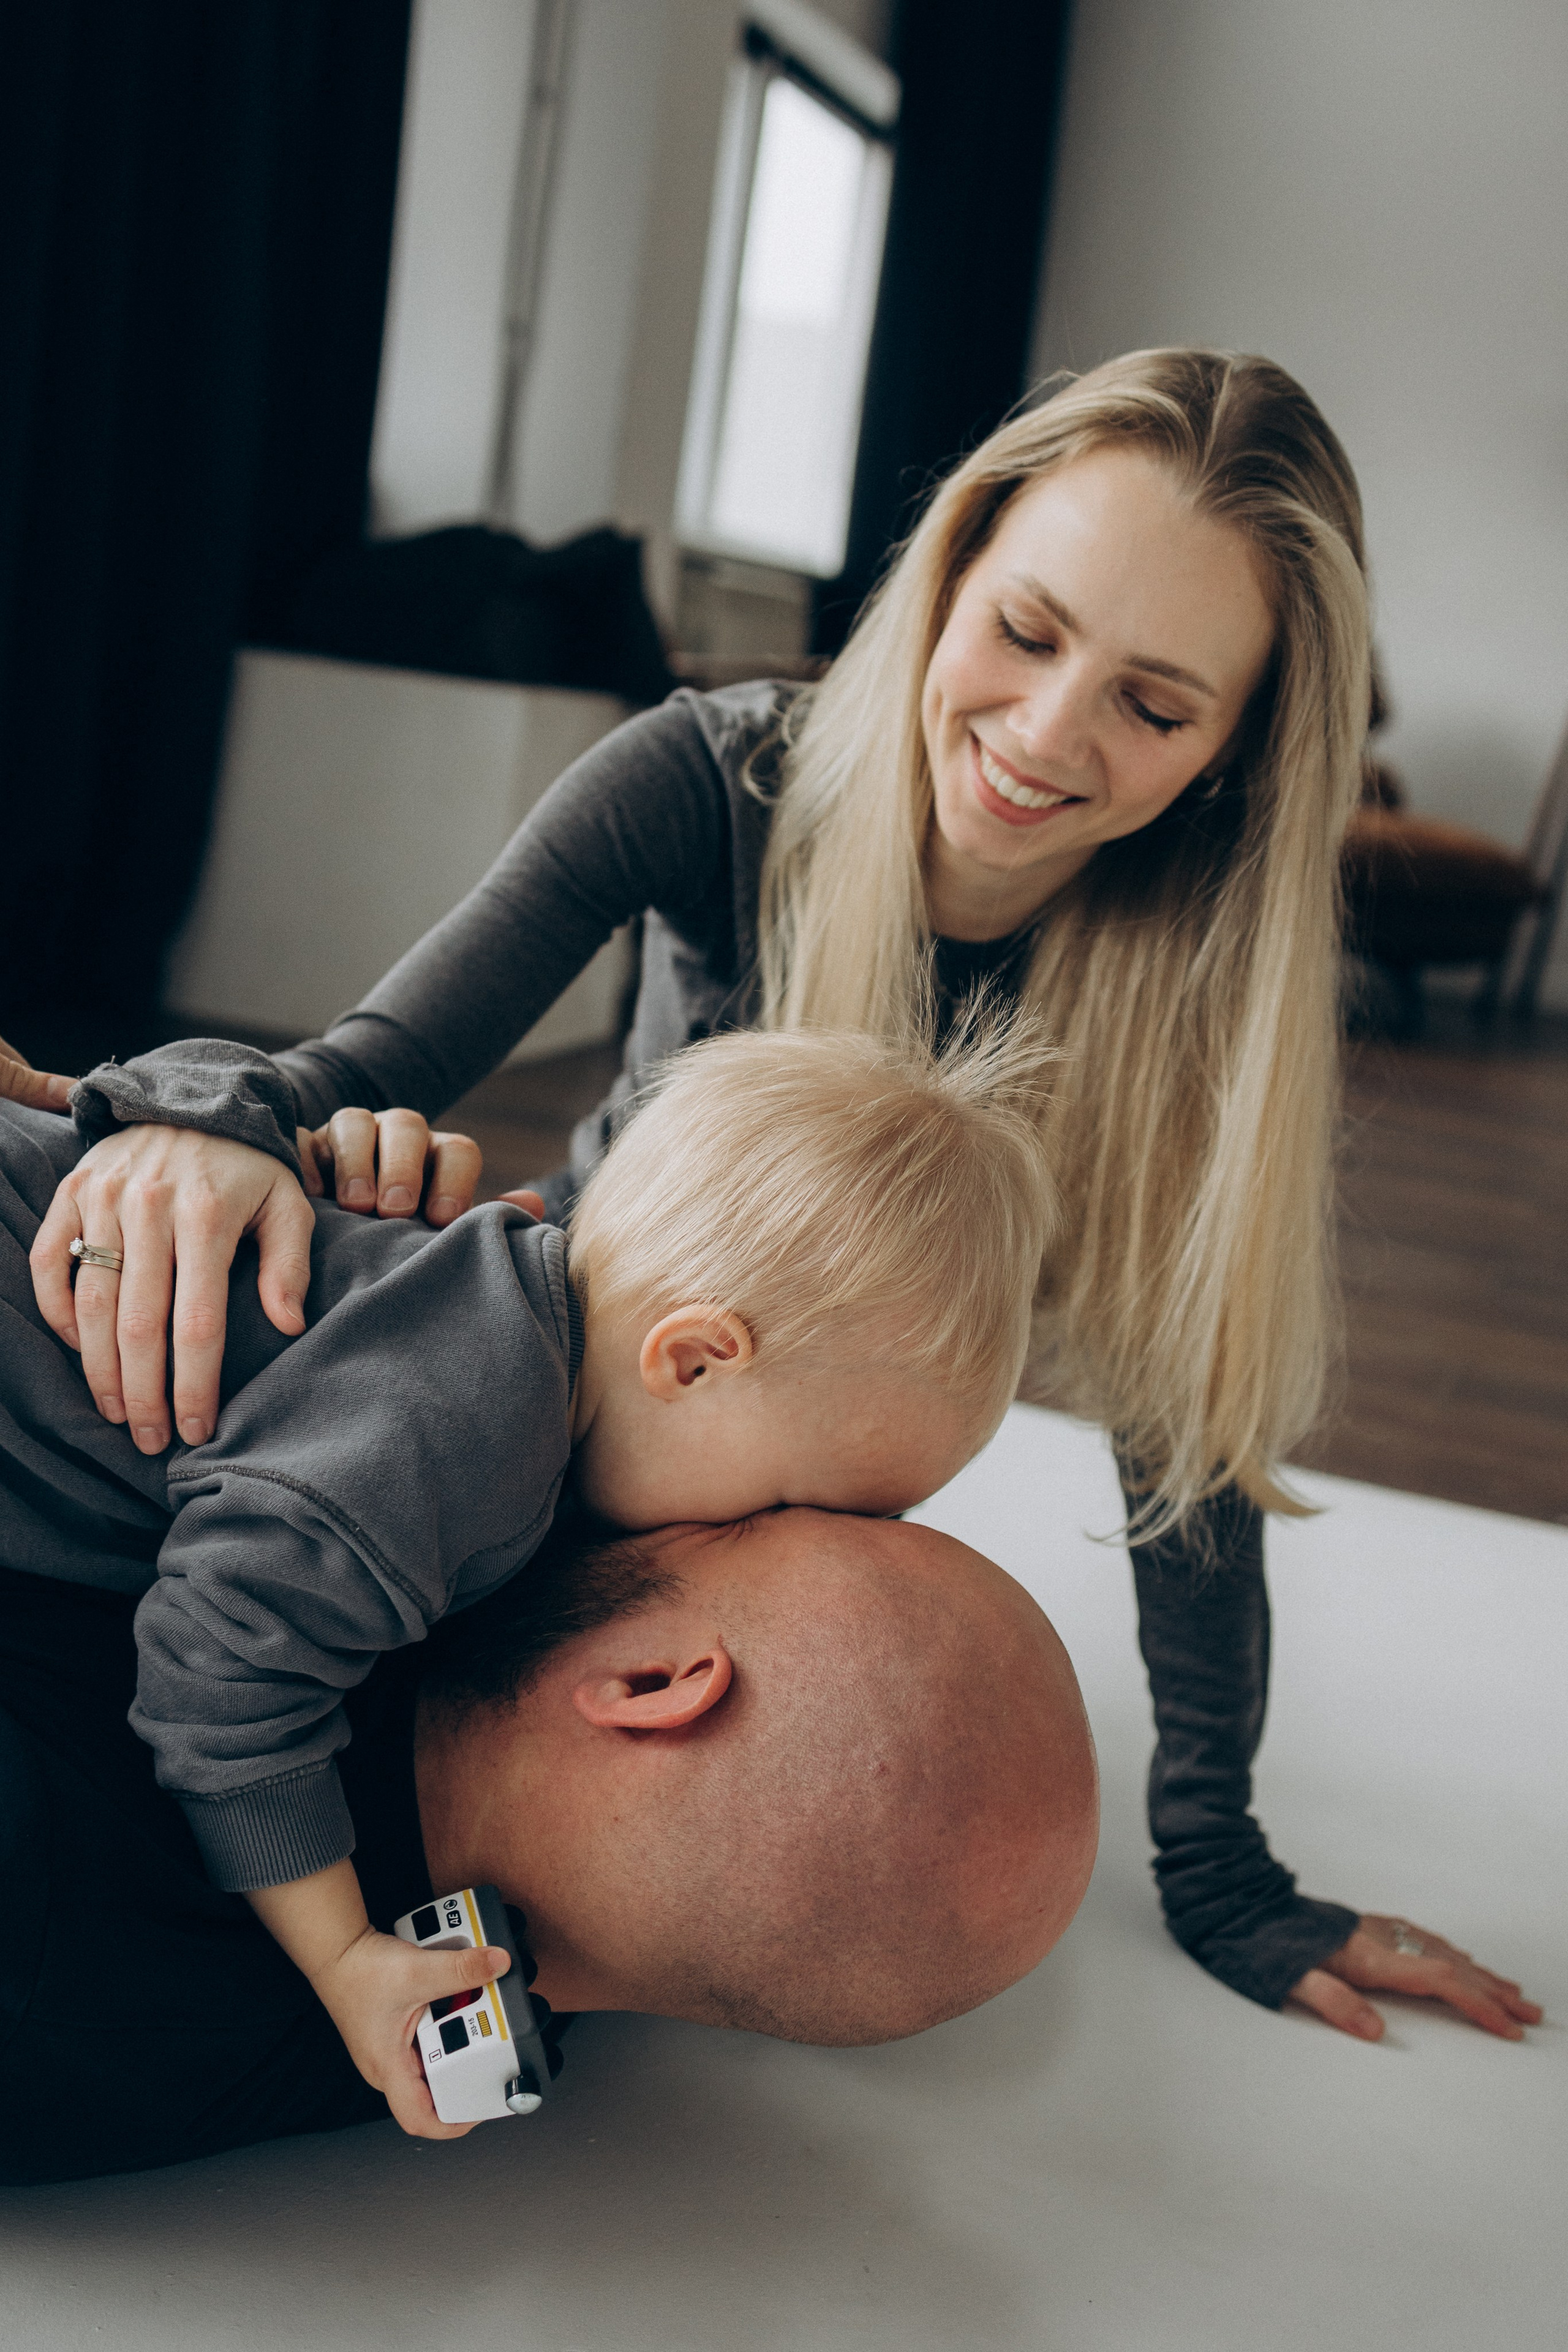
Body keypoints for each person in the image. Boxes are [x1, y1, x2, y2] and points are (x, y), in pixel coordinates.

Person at [25, 347, 1542, 2043]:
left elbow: (1189, 1459)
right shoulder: (717, 779)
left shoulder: (1193, 1000)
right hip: (557, 1397)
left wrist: (1221, 1866)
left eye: (1155, 704)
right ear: (950, 570)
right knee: (200, 1732)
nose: (1045, 739)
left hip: (733, 1477)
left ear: (1237, 755)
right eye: (1028, 633)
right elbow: (358, 1063)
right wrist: (199, 1121)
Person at [1, 1016, 1055, 2135]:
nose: (752, 1540)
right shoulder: (468, 1438)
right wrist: (346, 1953)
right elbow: (216, 1675)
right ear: (692, 1360)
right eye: (794, 1504)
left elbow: (183, 1091)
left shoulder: (483, 1275)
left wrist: (222, 1113)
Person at [0, 1504, 1099, 2187]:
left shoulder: (40, 1881)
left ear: (656, 1689)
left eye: (739, 1521)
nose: (652, 1493)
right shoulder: (458, 2034)